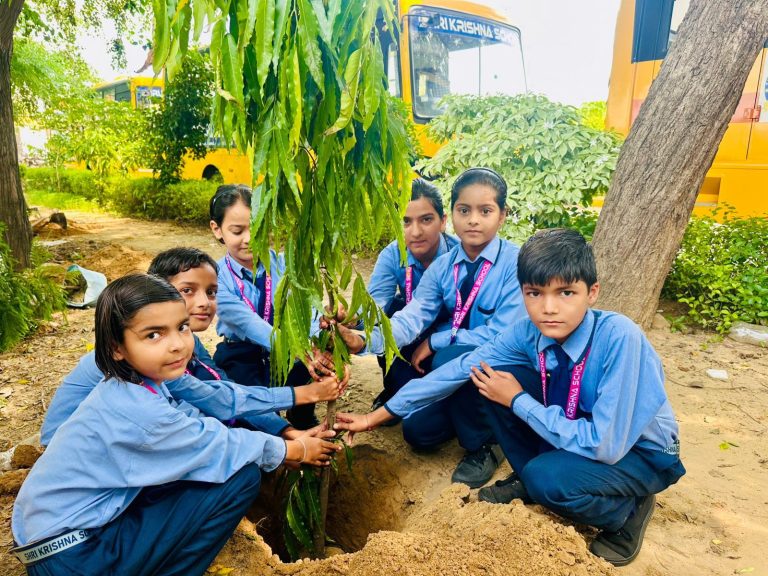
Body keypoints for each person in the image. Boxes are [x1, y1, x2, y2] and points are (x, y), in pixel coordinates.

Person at [336, 229, 685, 567]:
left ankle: (627, 511)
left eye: (566, 293)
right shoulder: (527, 333)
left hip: (638, 451)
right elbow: (458, 370)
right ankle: (529, 476)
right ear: (523, 293)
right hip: (578, 424)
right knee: (490, 376)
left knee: (548, 478)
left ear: (592, 293)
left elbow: (605, 444)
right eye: (535, 293)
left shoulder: (620, 338)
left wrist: (519, 401)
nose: (549, 308)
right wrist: (377, 415)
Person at [12, 274, 341, 575]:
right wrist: (293, 450)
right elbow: (216, 445)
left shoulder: (135, 382)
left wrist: (291, 425)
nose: (177, 344)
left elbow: (214, 402)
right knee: (240, 477)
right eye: (153, 334)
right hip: (75, 557)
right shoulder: (139, 410)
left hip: (56, 540)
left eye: (182, 327)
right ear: (116, 348)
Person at [331, 168, 527, 488]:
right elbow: (412, 317)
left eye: (485, 211)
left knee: (448, 356)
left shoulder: (515, 264)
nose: (473, 220)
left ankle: (488, 442)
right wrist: (362, 340)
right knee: (417, 432)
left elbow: (501, 337)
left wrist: (437, 341)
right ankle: (457, 410)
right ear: (453, 215)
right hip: (458, 366)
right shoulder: (442, 268)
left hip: (502, 366)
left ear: (502, 215)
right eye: (464, 210)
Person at [39, 248, 344, 446]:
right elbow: (214, 404)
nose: (204, 303)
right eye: (187, 291)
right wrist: (295, 418)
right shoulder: (142, 355)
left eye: (211, 292)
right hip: (75, 449)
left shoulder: (189, 345)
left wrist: (287, 432)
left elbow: (223, 389)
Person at [209, 185, 332, 429]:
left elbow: (306, 310)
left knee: (323, 344)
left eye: (258, 229)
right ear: (217, 229)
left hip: (286, 350)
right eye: (237, 231)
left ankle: (301, 414)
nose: (249, 239)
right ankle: (274, 427)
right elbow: (248, 323)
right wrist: (302, 350)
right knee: (254, 416)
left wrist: (316, 342)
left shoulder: (285, 265)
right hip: (242, 353)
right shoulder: (215, 277)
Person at [366, 178, 458, 410]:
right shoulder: (392, 254)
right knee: (387, 316)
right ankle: (392, 390)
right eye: (406, 222)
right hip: (408, 324)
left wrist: (435, 340)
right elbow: (374, 305)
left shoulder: (461, 255)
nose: (415, 232)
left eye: (426, 220)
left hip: (449, 329)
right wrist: (350, 317)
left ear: (443, 221)